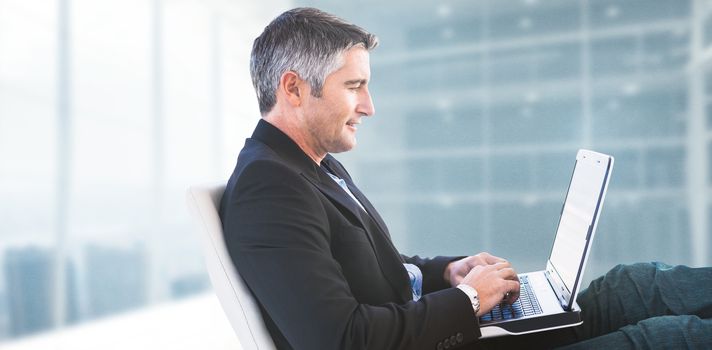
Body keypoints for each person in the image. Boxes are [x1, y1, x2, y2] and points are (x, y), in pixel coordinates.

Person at [219, 7, 712, 350]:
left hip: (443, 329)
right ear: (293, 88)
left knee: (634, 285)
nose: (370, 106)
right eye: (355, 87)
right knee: (669, 337)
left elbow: (373, 267)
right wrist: (471, 299)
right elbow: (341, 339)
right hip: (444, 340)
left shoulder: (308, 164)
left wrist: (448, 272)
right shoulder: (271, 189)